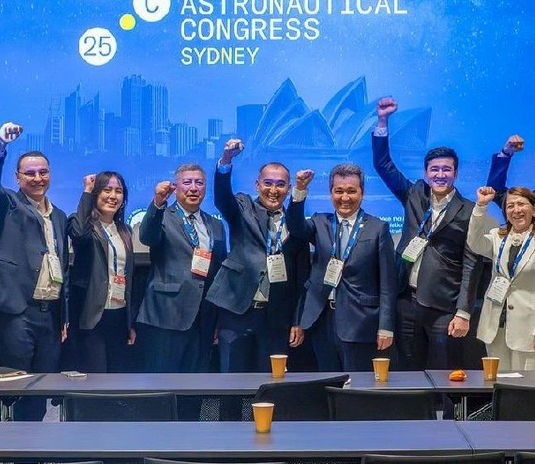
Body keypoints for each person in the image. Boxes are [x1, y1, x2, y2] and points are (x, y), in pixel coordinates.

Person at [371, 96, 517, 371]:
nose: (440, 175)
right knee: (409, 375)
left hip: (444, 307)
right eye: (434, 169)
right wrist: (382, 121)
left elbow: (472, 263)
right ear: (426, 173)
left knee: (447, 373)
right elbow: (383, 164)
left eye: (446, 169)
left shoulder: (469, 210)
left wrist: (463, 311)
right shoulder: (414, 194)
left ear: (455, 173)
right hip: (406, 301)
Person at [0, 122, 67, 419]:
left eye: (43, 172)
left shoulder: (59, 216)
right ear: (17, 177)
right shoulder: (8, 204)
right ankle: (9, 445)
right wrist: (0, 146)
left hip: (50, 313)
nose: (37, 178)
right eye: (30, 173)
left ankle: (33, 445)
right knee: (14, 387)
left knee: (41, 388)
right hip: (17, 311)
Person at [207, 139, 310, 373]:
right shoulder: (243, 207)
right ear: (257, 185)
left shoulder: (296, 223)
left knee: (271, 381)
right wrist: (226, 161)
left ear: (288, 189)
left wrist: (297, 320)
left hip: (276, 318)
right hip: (237, 311)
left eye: (281, 185)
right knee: (232, 380)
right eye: (268, 183)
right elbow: (222, 198)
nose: (273, 190)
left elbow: (301, 278)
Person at [287, 164, 396, 372]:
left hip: (360, 321)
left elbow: (388, 284)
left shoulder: (378, 228)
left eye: (351, 191)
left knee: (356, 384)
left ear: (362, 193)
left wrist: (386, 326)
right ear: (331, 194)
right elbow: (295, 227)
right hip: (321, 319)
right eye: (339, 191)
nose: (345, 197)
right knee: (327, 381)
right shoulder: (320, 222)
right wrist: (300, 189)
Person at [137, 163, 227, 373]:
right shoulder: (162, 216)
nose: (193, 188)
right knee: (163, 382)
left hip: (203, 318)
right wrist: (158, 203)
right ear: (175, 187)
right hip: (166, 314)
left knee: (196, 382)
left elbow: (219, 272)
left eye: (199, 183)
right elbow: (147, 237)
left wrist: (217, 317)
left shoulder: (215, 225)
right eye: (187, 182)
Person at [466, 186, 535, 370]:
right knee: (498, 383)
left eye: (521, 204)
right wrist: (481, 206)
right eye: (510, 206)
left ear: (534, 209)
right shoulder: (497, 237)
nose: (516, 210)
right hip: (495, 328)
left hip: (530, 331)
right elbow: (474, 242)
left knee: (528, 385)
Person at [66, 172, 137, 373]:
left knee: (116, 379)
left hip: (119, 315)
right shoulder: (84, 224)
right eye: (107, 190)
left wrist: (129, 322)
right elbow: (78, 233)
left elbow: (128, 277)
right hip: (91, 315)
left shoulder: (125, 230)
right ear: (96, 194)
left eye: (118, 191)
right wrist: (87, 192)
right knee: (95, 378)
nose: (113, 196)